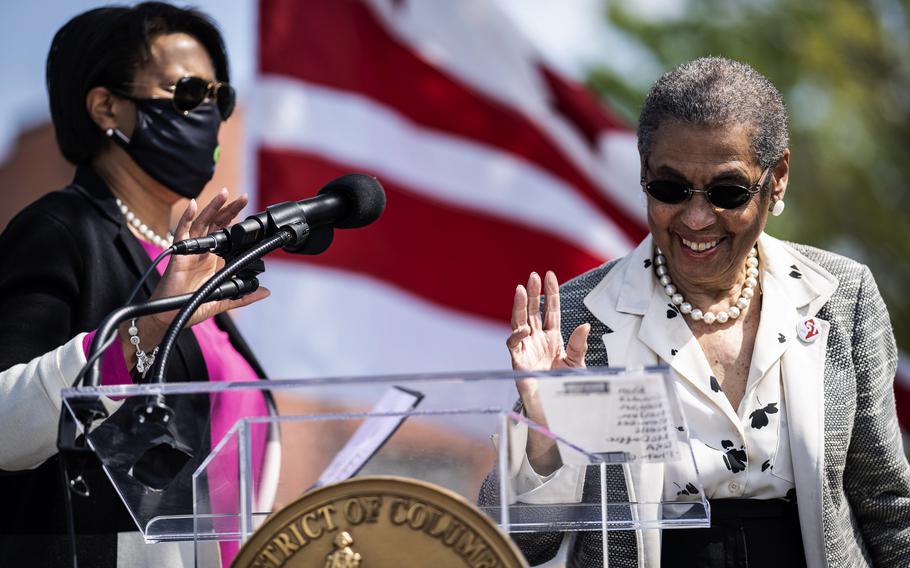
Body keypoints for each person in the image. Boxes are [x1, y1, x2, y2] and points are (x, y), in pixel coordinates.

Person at [496, 57, 910, 567]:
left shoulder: (843, 296)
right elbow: (518, 544)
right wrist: (544, 428)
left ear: (776, 178)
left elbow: (888, 509)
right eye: (670, 188)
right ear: (644, 173)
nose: (696, 217)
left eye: (727, 192)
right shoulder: (582, 319)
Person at [0, 4, 273, 566]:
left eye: (218, 99)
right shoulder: (61, 232)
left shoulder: (189, 262)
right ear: (107, 107)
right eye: (188, 92)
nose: (209, 115)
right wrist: (145, 328)